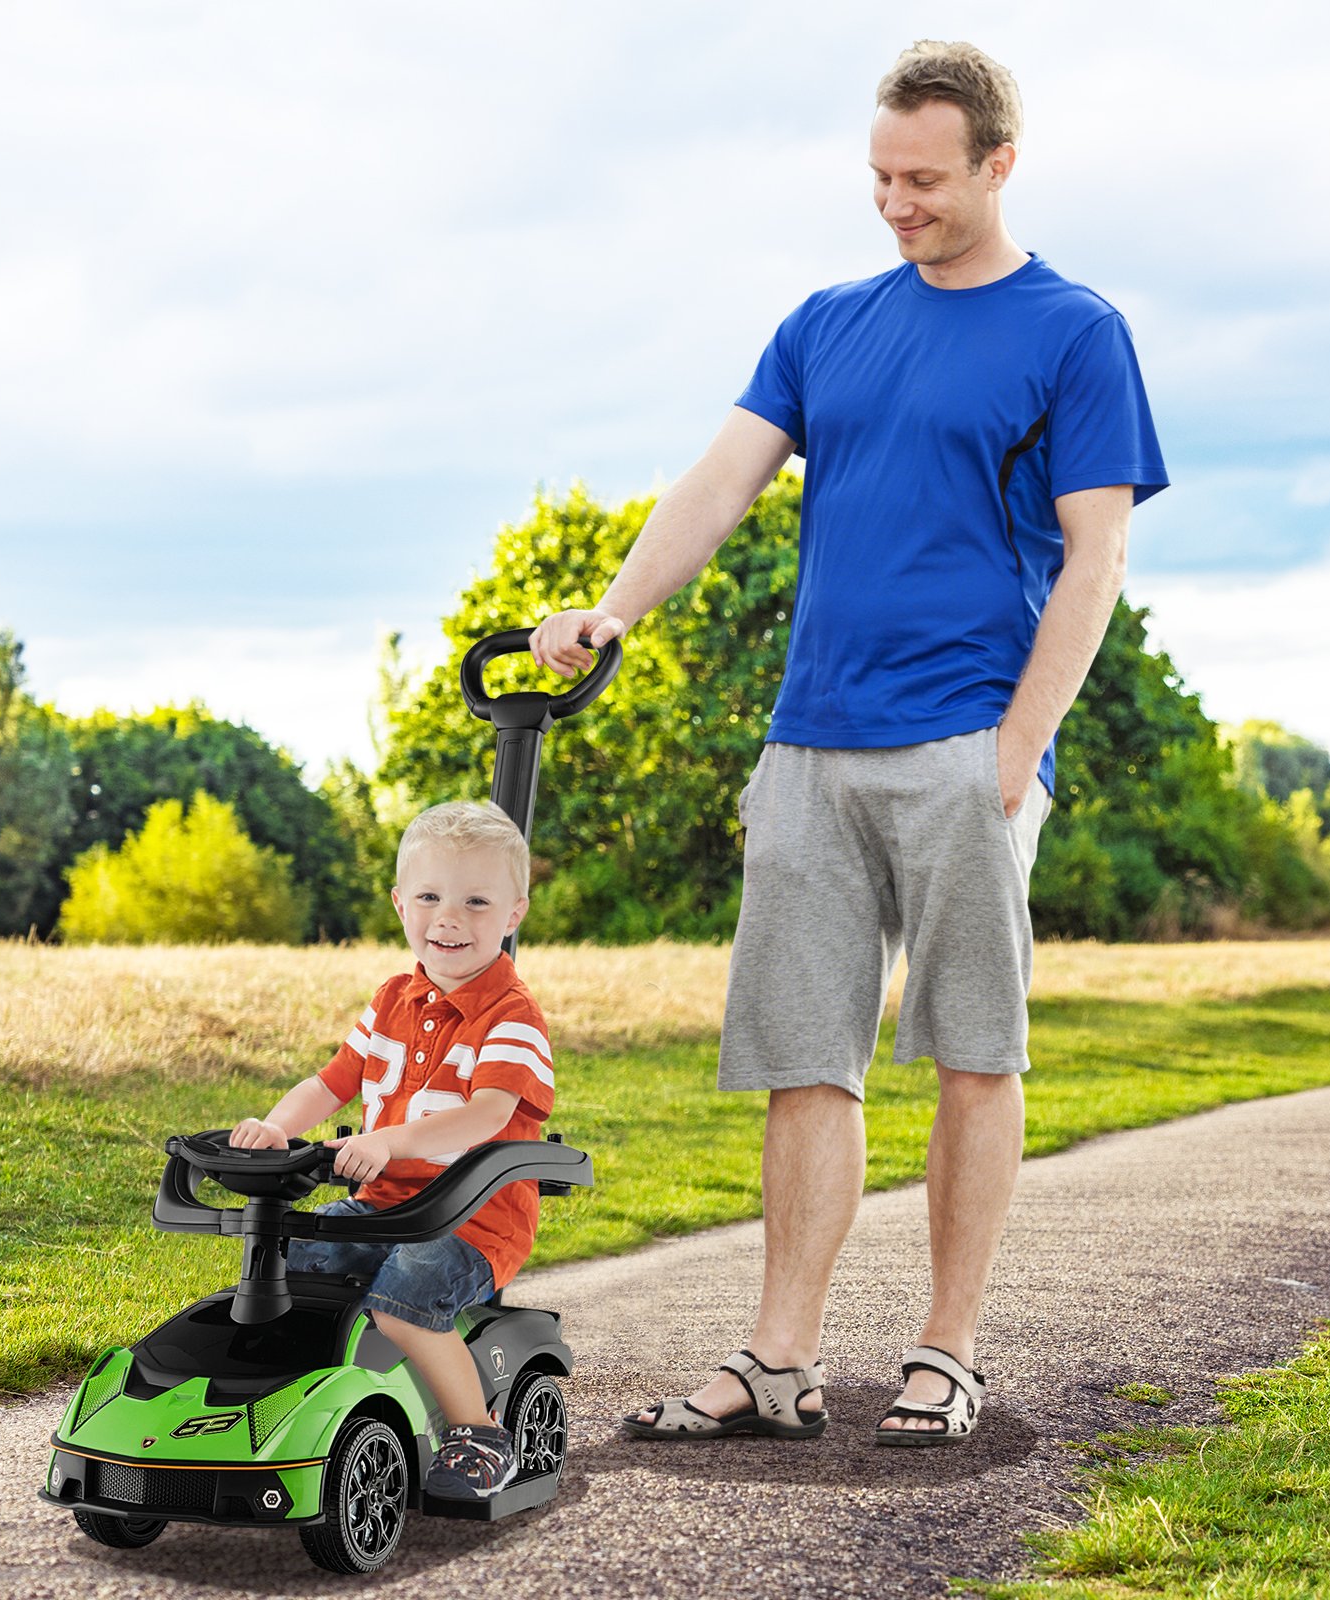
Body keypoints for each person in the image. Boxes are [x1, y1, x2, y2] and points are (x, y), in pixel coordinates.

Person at [531, 39, 1167, 1447]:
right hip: (810, 745)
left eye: (924, 179)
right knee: (803, 1057)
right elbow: (719, 482)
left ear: (999, 163)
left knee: (973, 1053)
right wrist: (614, 609)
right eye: (879, 177)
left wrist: (1018, 749)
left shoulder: (1074, 331)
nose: (896, 203)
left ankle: (945, 1351)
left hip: (967, 743)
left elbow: (1097, 557)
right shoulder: (825, 324)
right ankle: (778, 1361)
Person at [230, 800, 554, 1496]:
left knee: (408, 1293)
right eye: (430, 898)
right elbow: (332, 1082)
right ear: (400, 903)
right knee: (297, 1262)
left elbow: (486, 1115)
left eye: (475, 902)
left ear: (513, 914)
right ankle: (295, 1405)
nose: (449, 919)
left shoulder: (513, 1015)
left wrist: (386, 1140)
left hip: (474, 1222)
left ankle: (480, 1434)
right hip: (385, 1207)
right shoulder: (390, 1000)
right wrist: (277, 1128)